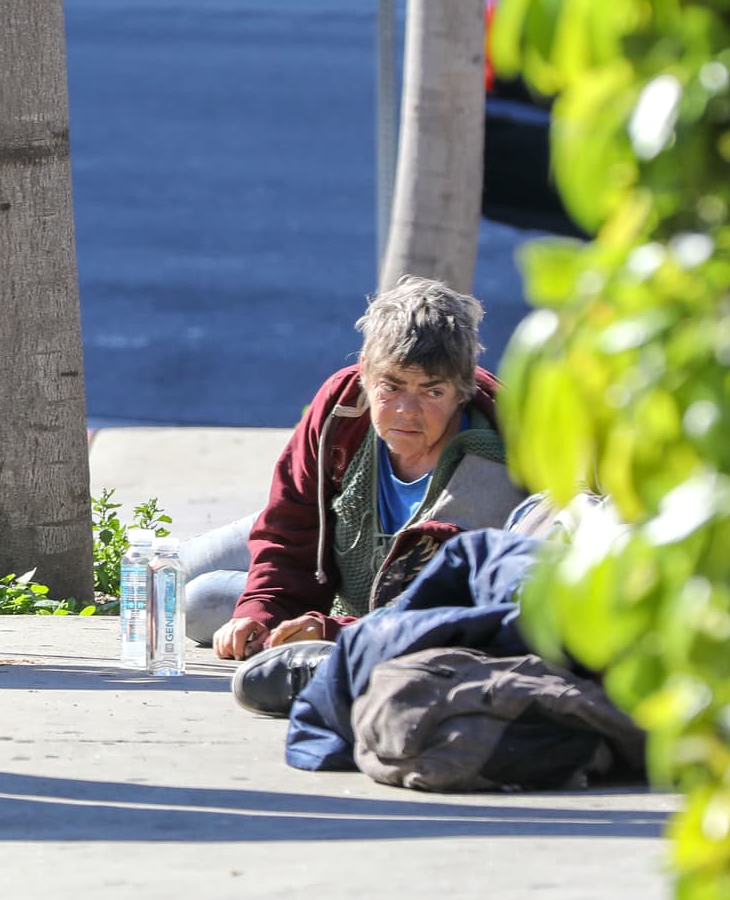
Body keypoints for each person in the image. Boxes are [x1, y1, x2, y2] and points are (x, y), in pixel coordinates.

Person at [185, 275, 527, 659]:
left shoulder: (496, 464)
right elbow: (289, 527)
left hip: (384, 621)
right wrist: (260, 612)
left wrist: (331, 631)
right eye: (391, 386)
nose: (406, 411)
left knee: (204, 600)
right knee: (173, 578)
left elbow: (445, 617)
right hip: (327, 536)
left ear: (462, 388)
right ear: (365, 371)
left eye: (432, 391)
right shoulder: (343, 406)